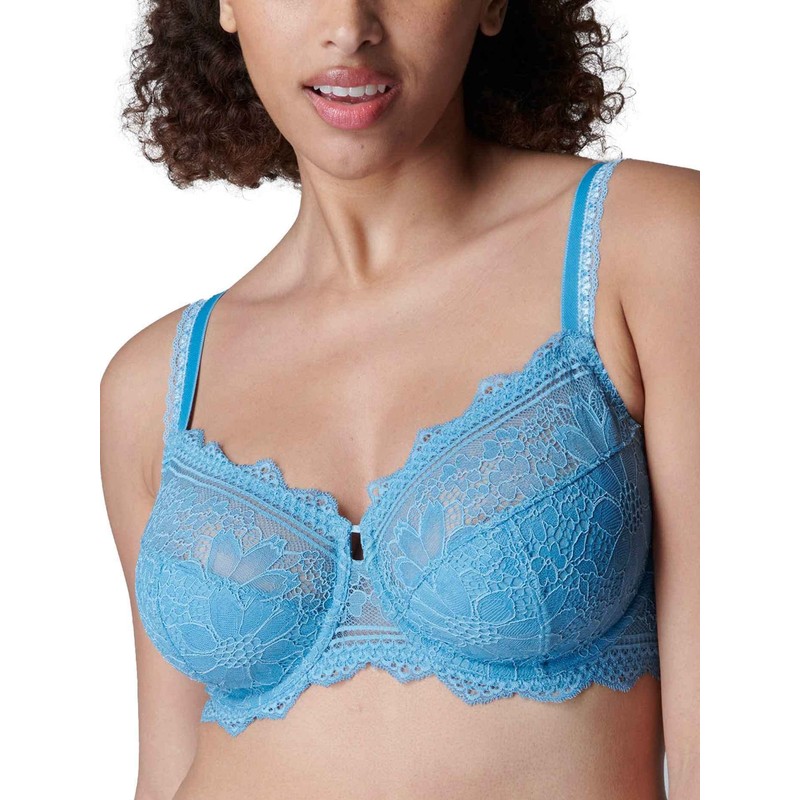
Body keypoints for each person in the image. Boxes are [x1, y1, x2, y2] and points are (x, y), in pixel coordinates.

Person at [100, 1, 699, 798]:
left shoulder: (650, 245)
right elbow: (165, 772)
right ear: (227, 7)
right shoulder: (157, 383)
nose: (349, 26)